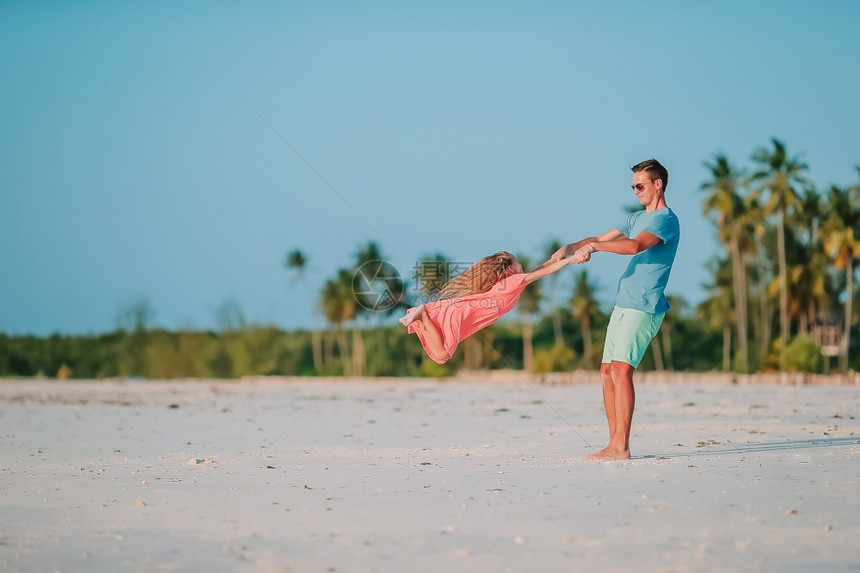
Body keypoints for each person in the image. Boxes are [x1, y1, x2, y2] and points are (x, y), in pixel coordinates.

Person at [551, 159, 680, 461]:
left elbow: (635, 247)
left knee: (622, 371)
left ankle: (621, 447)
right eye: (633, 186)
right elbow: (601, 238)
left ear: (657, 184)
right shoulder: (636, 217)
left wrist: (594, 248)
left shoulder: (665, 220)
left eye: (640, 185)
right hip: (624, 303)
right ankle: (613, 444)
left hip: (644, 305)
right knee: (607, 371)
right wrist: (570, 247)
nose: (635, 191)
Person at [401, 251, 578, 364]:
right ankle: (422, 313)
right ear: (509, 269)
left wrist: (555, 258)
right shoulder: (514, 281)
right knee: (442, 354)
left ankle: (421, 316)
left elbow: (539, 270)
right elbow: (545, 272)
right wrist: (571, 260)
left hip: (468, 311)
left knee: (440, 353)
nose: (520, 264)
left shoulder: (513, 282)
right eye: (516, 262)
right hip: (466, 312)